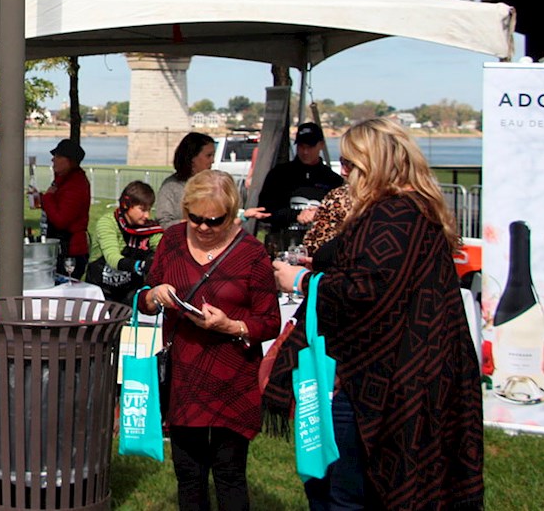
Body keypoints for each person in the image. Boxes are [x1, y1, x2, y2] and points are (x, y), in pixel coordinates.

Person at [268, 118, 482, 510]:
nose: (344, 174)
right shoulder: (414, 211)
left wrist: (300, 281)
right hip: (404, 373)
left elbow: (365, 291)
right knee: (345, 485)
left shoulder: (394, 216)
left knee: (344, 492)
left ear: (374, 165)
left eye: (350, 165)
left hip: (385, 381)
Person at [136, 170, 280, 511]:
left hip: (233, 376)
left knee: (229, 473)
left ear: (231, 216)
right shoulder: (171, 241)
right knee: (188, 473)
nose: (201, 227)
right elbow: (145, 297)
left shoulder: (252, 254)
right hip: (184, 374)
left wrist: (230, 325)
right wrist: (155, 294)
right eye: (194, 218)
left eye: (212, 221)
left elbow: (270, 321)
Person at [257, 122, 343, 249]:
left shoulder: (332, 180)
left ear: (321, 145)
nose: (305, 151)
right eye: (301, 146)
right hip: (284, 244)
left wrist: (318, 215)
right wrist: (296, 215)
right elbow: (264, 211)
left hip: (319, 248)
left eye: (310, 146)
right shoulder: (279, 174)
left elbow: (341, 217)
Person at [157, 132, 267, 226]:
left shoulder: (219, 183)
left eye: (213, 155)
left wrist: (243, 215)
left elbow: (231, 217)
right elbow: (164, 223)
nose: (213, 161)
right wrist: (197, 223)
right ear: (192, 157)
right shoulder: (171, 187)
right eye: (208, 155)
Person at [85, 181, 163, 305]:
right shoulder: (107, 223)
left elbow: (163, 248)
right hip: (102, 291)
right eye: (142, 210)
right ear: (126, 204)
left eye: (149, 209)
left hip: (129, 293)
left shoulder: (149, 229)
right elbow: (113, 258)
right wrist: (141, 265)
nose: (147, 216)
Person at [32, 138, 90, 280]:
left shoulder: (75, 185)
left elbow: (61, 220)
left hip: (70, 251)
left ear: (69, 161)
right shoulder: (64, 181)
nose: (53, 160)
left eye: (58, 156)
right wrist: (41, 199)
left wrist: (47, 198)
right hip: (61, 248)